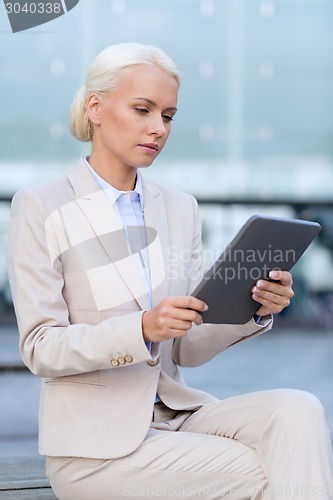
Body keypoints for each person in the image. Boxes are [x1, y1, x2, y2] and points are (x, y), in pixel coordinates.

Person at [7, 42, 333, 500]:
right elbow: (41, 348)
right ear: (95, 107)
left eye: (168, 115)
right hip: (95, 450)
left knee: (299, 410)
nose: (158, 128)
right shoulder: (41, 206)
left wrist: (253, 309)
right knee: (277, 467)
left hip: (178, 416)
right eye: (143, 109)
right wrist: (140, 328)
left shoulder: (180, 208)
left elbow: (186, 350)